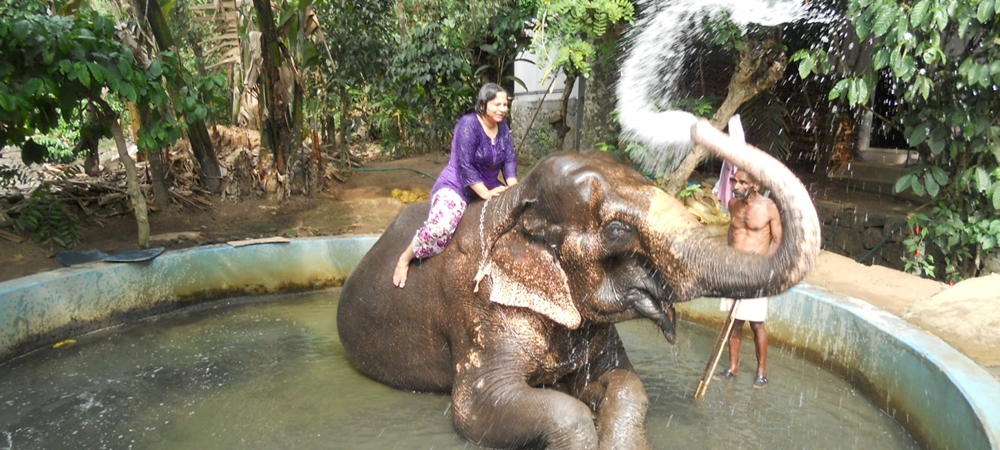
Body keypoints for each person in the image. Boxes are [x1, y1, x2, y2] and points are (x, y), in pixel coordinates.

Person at [392, 83, 519, 288]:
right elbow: (465, 164)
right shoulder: (468, 124)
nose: (503, 109)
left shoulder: (503, 128)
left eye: (505, 104)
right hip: (457, 187)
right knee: (440, 229)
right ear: (484, 103)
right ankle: (405, 258)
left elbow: (510, 160)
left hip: (490, 185)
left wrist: (513, 190)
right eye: (497, 104)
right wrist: (486, 194)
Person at [717, 168, 782, 388]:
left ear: (755, 185)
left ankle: (761, 373)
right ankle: (732, 368)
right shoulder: (733, 205)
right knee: (733, 324)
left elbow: (778, 241)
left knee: (757, 325)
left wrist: (763, 264)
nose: (735, 186)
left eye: (742, 183)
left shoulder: (768, 207)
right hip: (735, 272)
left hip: (755, 275)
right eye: (734, 181)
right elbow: (731, 233)